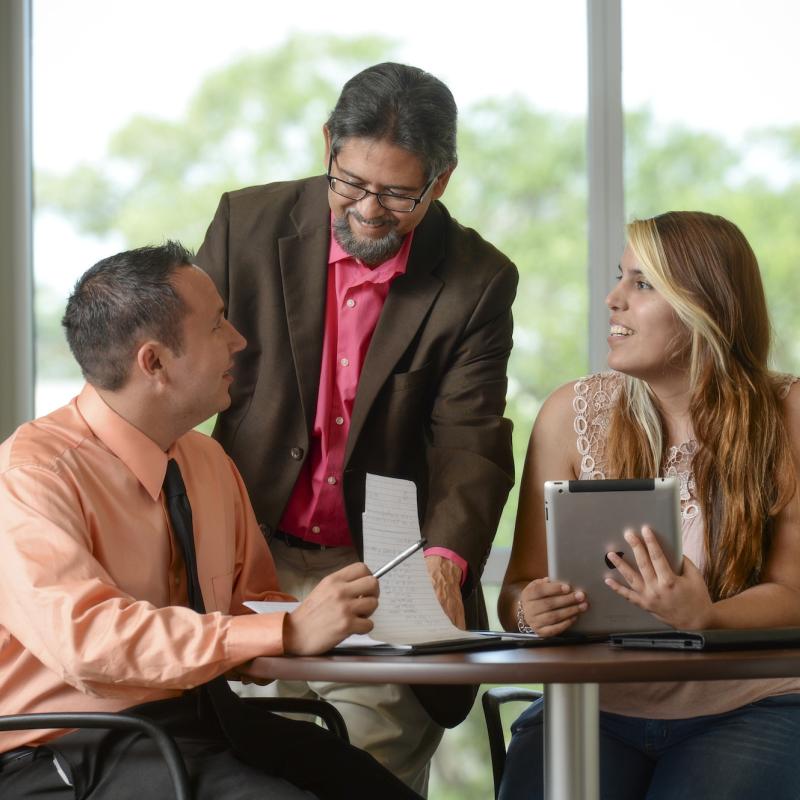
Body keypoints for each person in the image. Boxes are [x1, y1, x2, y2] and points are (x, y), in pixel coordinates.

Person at [195, 61, 518, 791]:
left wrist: (444, 560)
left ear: (441, 181)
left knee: (372, 774)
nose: (370, 210)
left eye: (400, 193)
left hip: (387, 568)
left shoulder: (477, 278)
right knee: (250, 771)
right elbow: (183, 380)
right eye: (353, 183)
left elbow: (470, 436)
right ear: (327, 148)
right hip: (252, 554)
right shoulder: (245, 225)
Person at [0, 242, 421, 800]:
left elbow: (251, 606)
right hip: (68, 748)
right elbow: (89, 643)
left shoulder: (207, 462)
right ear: (154, 363)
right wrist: (286, 630)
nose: (239, 341)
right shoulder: (31, 474)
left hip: (198, 723)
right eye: (219, 323)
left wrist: (326, 617)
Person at [497, 211, 800, 799]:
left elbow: (795, 592)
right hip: (593, 707)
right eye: (620, 278)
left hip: (752, 702)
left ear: (705, 304)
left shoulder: (787, 414)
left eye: (642, 283)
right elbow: (518, 591)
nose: (613, 300)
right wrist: (532, 611)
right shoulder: (569, 414)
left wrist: (707, 615)